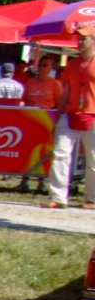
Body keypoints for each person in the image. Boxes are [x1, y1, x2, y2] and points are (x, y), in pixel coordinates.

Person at [44, 28, 95, 209]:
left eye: (83, 39)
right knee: (60, 154)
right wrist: (58, 116)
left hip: (92, 114)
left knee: (93, 159)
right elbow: (66, 92)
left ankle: (91, 199)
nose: (79, 42)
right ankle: (58, 197)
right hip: (70, 114)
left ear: (93, 40)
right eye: (78, 39)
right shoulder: (72, 64)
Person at [18, 55, 63, 192]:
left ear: (51, 68)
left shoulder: (55, 84)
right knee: (27, 150)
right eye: (40, 65)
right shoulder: (30, 82)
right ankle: (24, 180)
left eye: (45, 65)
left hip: (46, 122)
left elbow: (59, 103)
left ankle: (41, 181)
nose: (41, 68)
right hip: (30, 121)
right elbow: (23, 100)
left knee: (44, 151)